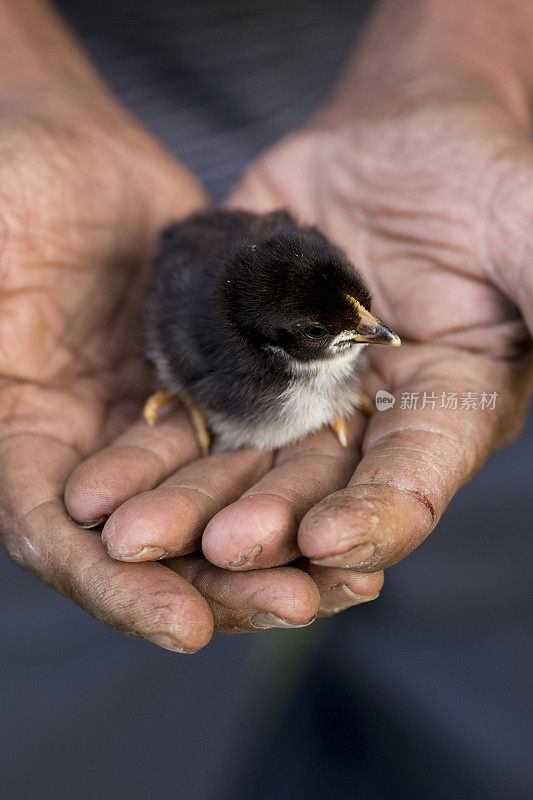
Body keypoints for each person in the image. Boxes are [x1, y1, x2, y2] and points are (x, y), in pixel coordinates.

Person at [0, 0, 532, 658]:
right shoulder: (218, 355)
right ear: (274, 346)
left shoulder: (321, 290)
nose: (374, 333)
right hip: (95, 128)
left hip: (381, 111)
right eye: (342, 329)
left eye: (362, 314)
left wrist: (450, 73)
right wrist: (23, 93)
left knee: (480, 652)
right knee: (89, 659)